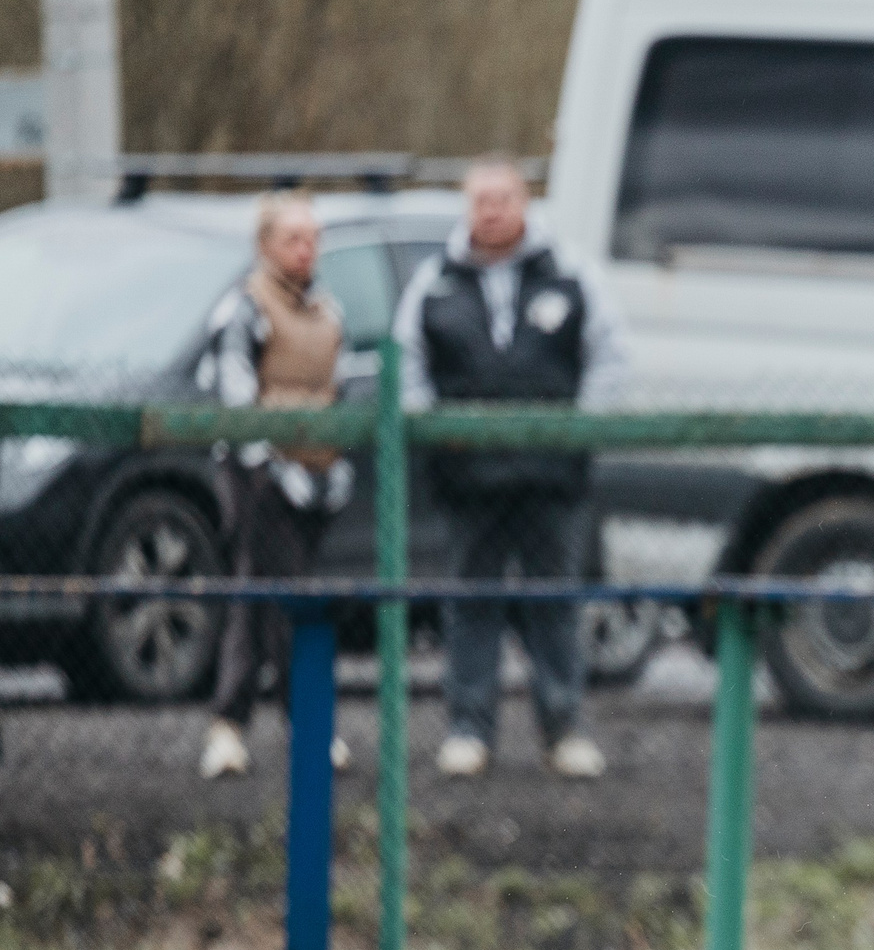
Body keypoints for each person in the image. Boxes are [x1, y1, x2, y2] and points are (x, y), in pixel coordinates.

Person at [394, 155, 628, 780]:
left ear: (525, 202)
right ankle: (469, 730)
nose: (492, 211)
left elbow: (610, 355)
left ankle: (564, 729)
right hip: (468, 480)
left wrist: (580, 430)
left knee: (555, 602)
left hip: (551, 479)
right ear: (467, 207)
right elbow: (407, 363)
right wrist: (435, 433)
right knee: (471, 603)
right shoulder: (434, 283)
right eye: (481, 200)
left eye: (503, 198)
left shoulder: (571, 273)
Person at [197, 192, 353, 780]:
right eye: (293, 238)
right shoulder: (243, 307)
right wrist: (269, 466)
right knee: (279, 596)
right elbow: (234, 395)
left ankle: (233, 727)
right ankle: (295, 724)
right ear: (264, 246)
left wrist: (328, 465)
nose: (305, 249)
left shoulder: (328, 311)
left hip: (315, 475)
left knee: (263, 595)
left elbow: (337, 390)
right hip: (258, 477)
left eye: (312, 238)